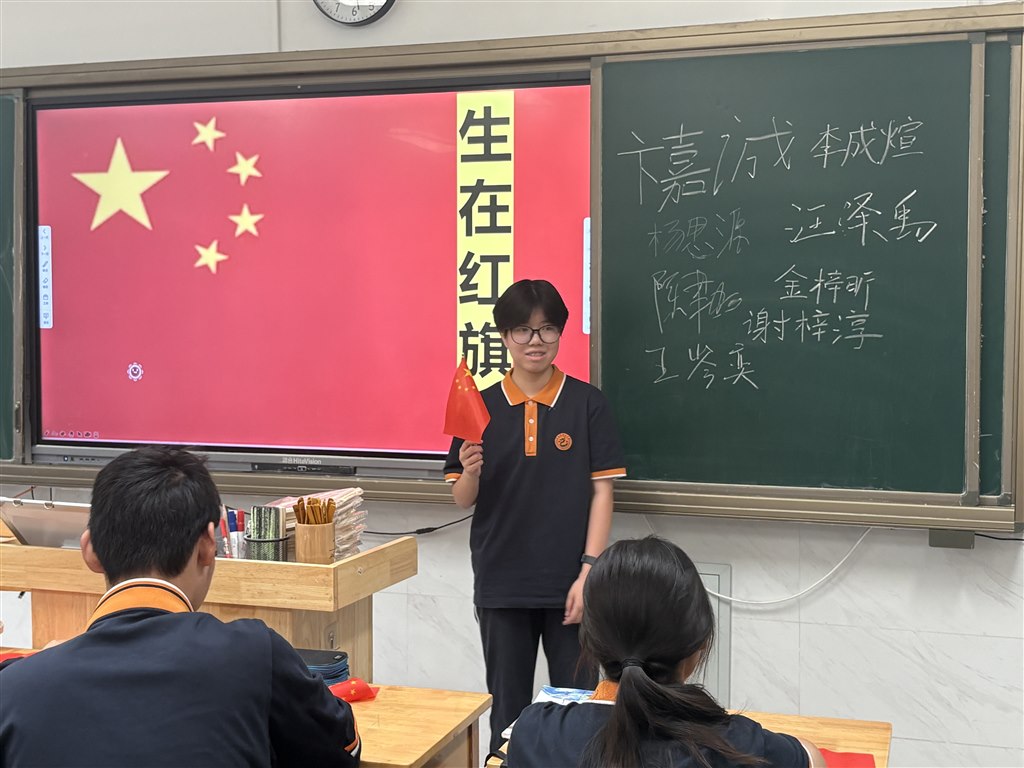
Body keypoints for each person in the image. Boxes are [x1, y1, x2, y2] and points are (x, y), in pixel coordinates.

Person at [0, 446, 361, 768]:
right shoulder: (255, 655)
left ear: (90, 550)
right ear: (207, 546)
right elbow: (341, 751)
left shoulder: (15, 688)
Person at [444, 278, 626, 753]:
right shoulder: (480, 406)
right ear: (505, 336)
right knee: (507, 712)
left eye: (547, 329)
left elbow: (602, 492)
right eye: (522, 330)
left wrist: (589, 572)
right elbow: (462, 498)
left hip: (572, 586)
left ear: (560, 333)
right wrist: (470, 471)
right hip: (501, 583)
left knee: (580, 714)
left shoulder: (588, 403)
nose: (535, 341)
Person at [506, 536, 826, 768]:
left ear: (590, 643)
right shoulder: (740, 746)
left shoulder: (535, 733)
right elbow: (812, 758)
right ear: (699, 645)